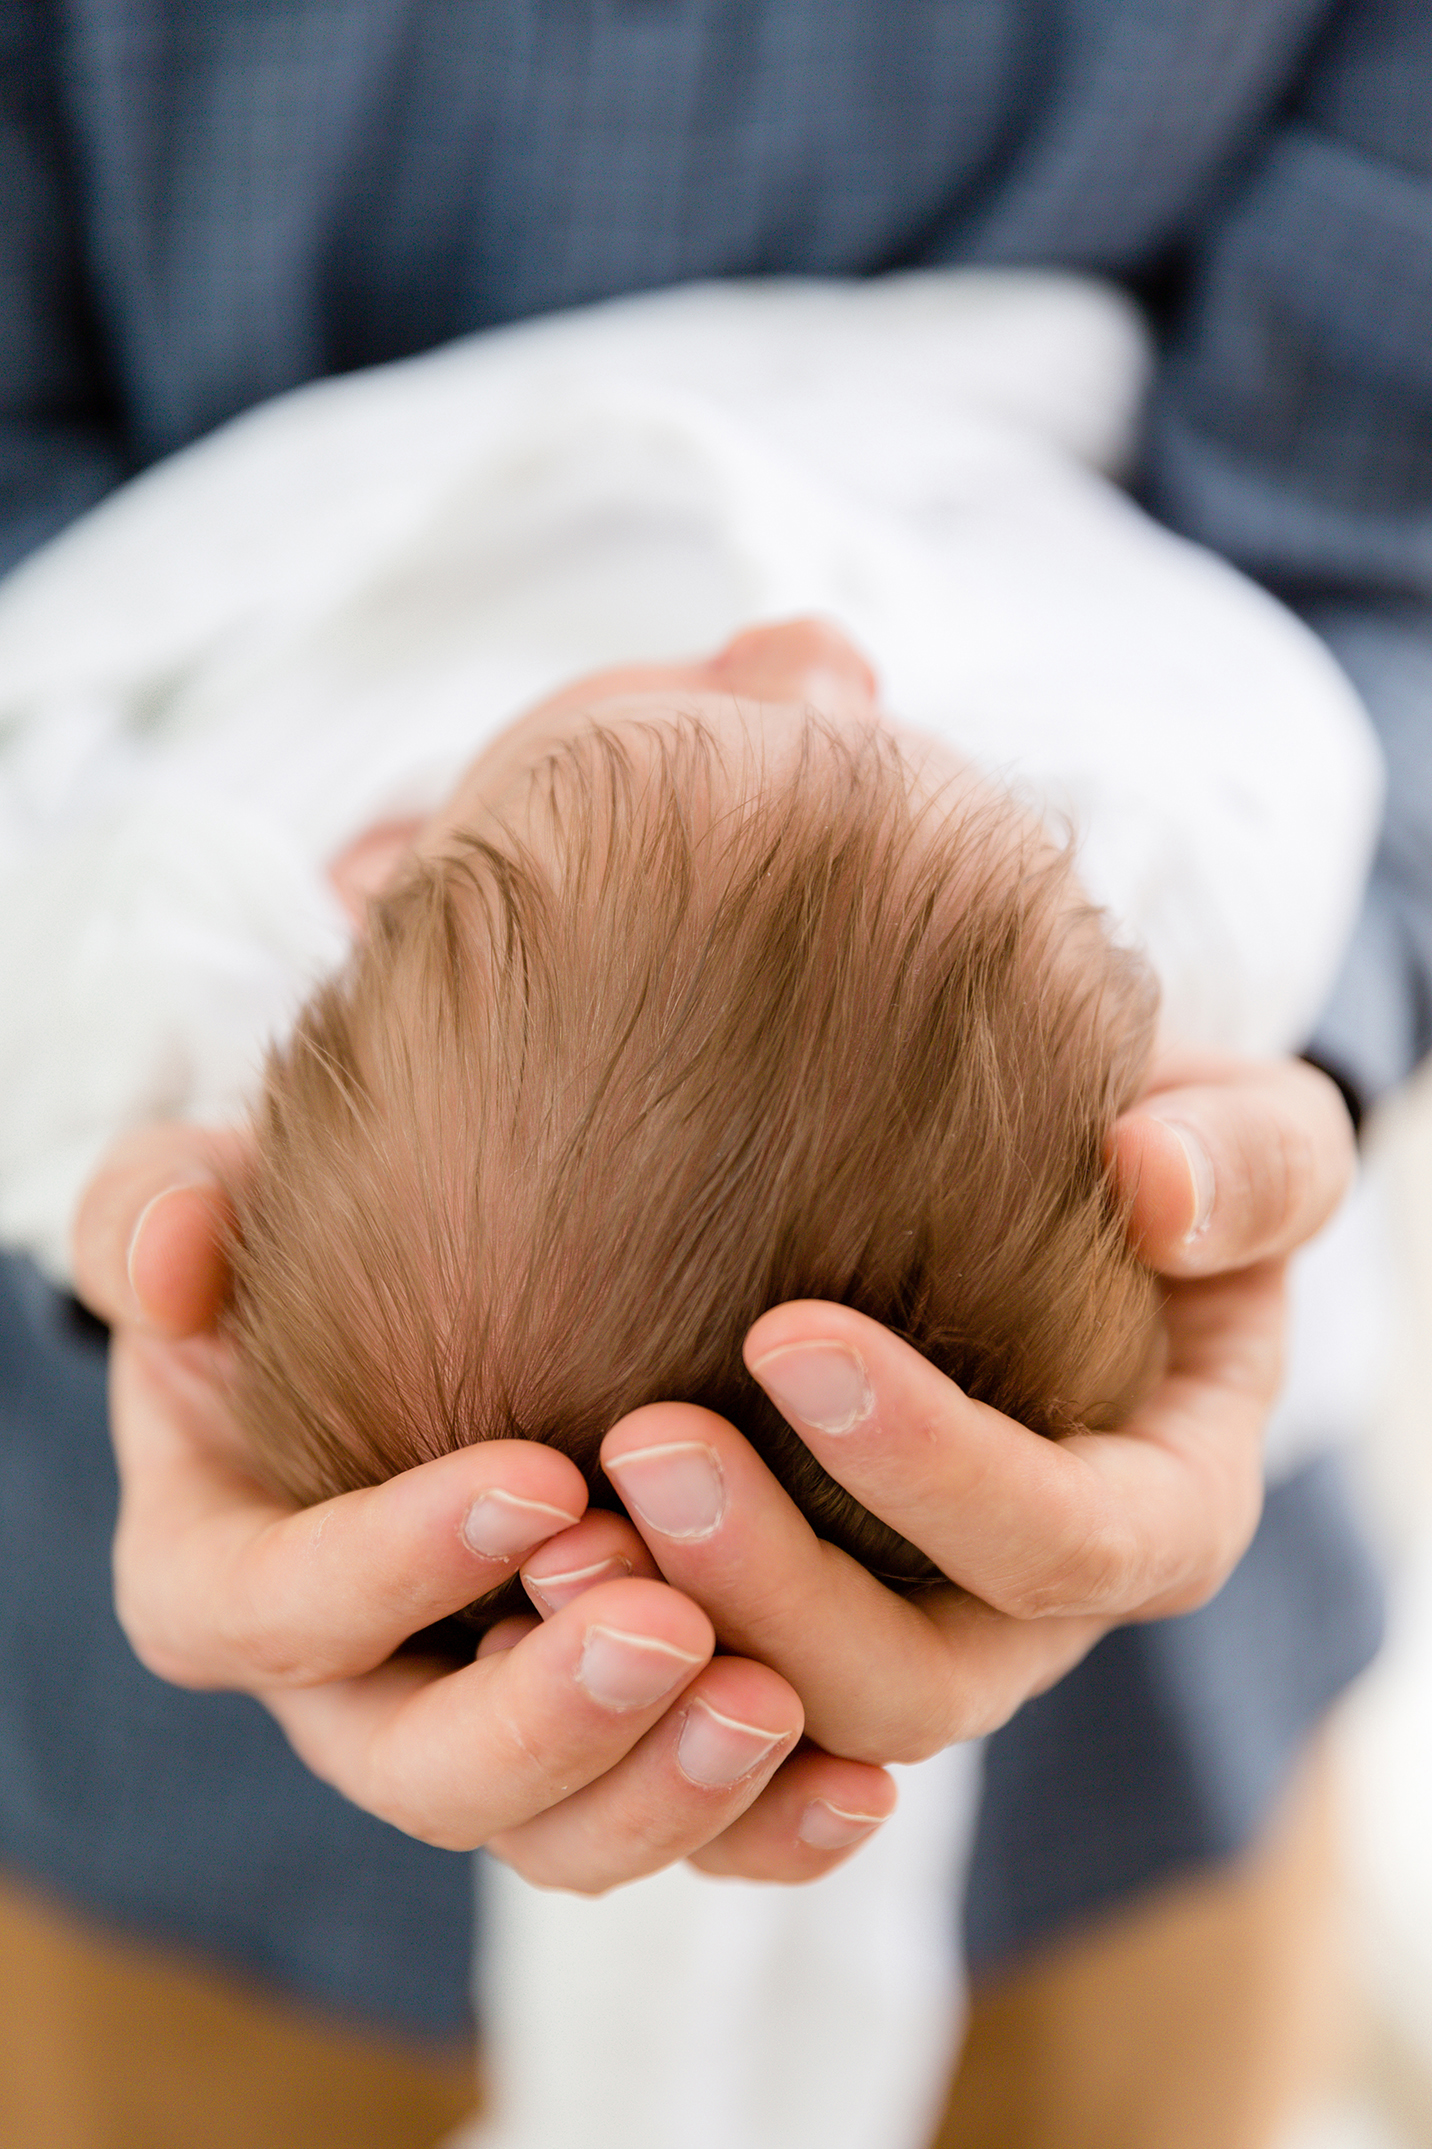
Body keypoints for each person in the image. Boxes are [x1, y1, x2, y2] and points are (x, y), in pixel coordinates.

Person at [0, 2, 1422, 2141]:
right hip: (107, 1669)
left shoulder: (220, 911)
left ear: (363, 920)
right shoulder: (1150, 825)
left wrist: (1275, 1081)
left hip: (1125, 1683)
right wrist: (1230, 996)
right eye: (858, 744)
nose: (803, 637)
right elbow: (1262, 763)